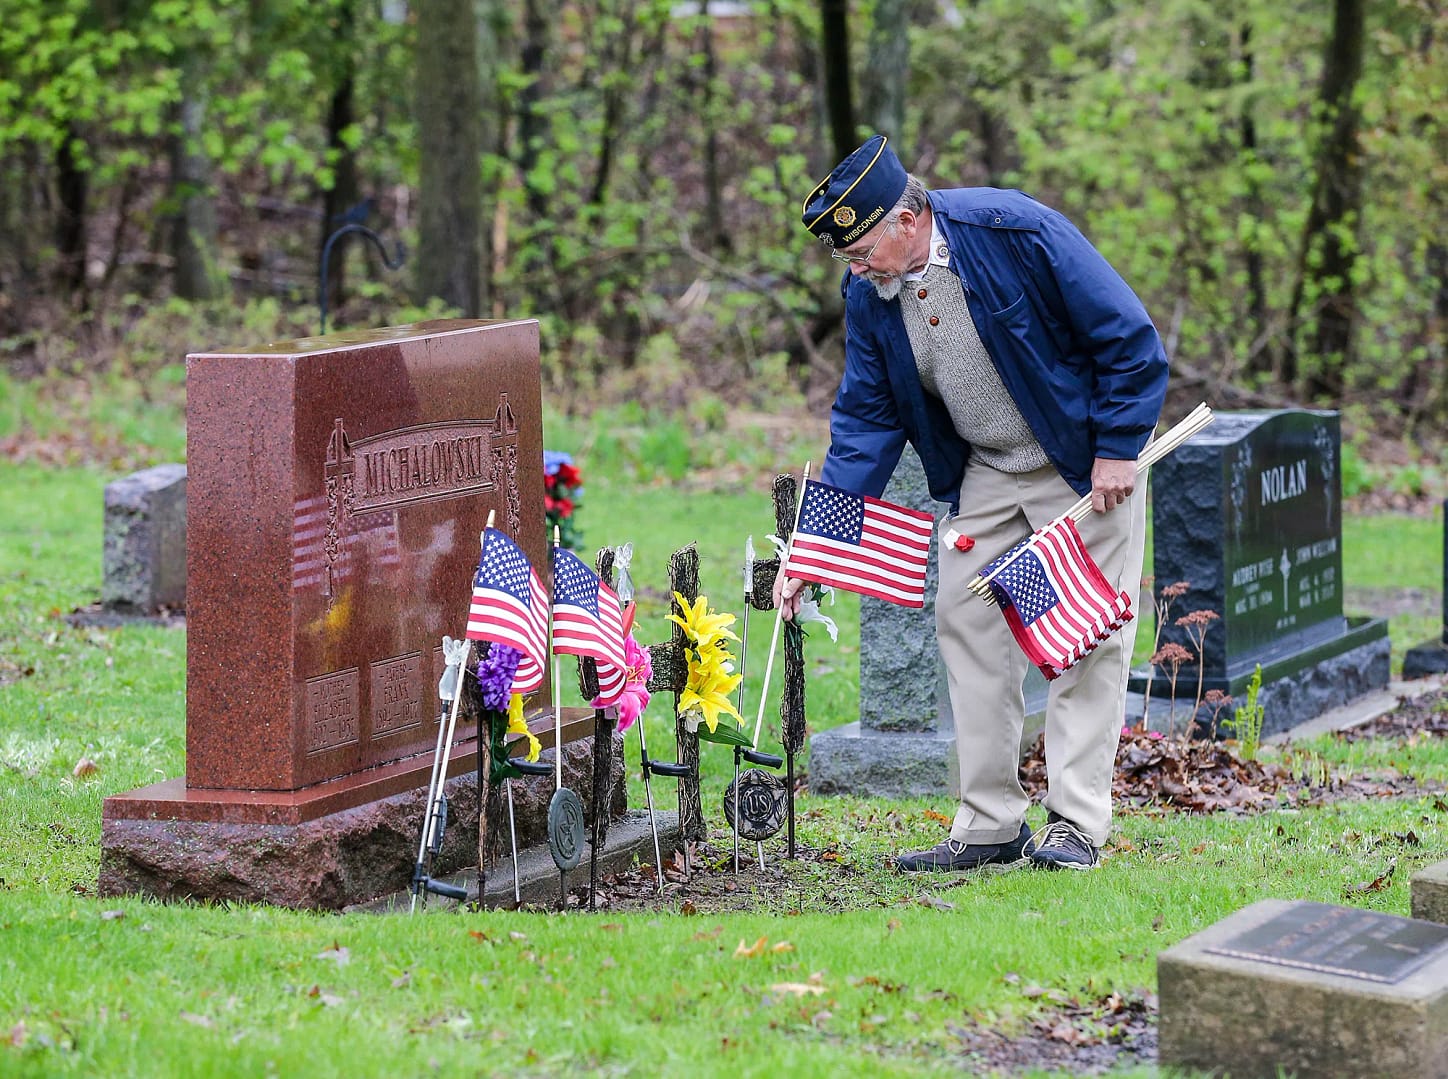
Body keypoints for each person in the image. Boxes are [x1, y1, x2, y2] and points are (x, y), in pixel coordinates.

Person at [776, 134, 1168, 872]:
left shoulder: (1015, 231)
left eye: (859, 249)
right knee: (965, 617)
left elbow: (1127, 338)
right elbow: (865, 418)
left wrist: (1118, 446)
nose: (854, 269)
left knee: (1087, 638)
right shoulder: (872, 292)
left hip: (1081, 463)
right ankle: (990, 822)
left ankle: (1076, 824)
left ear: (906, 217)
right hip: (985, 468)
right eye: (846, 258)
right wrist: (814, 548)